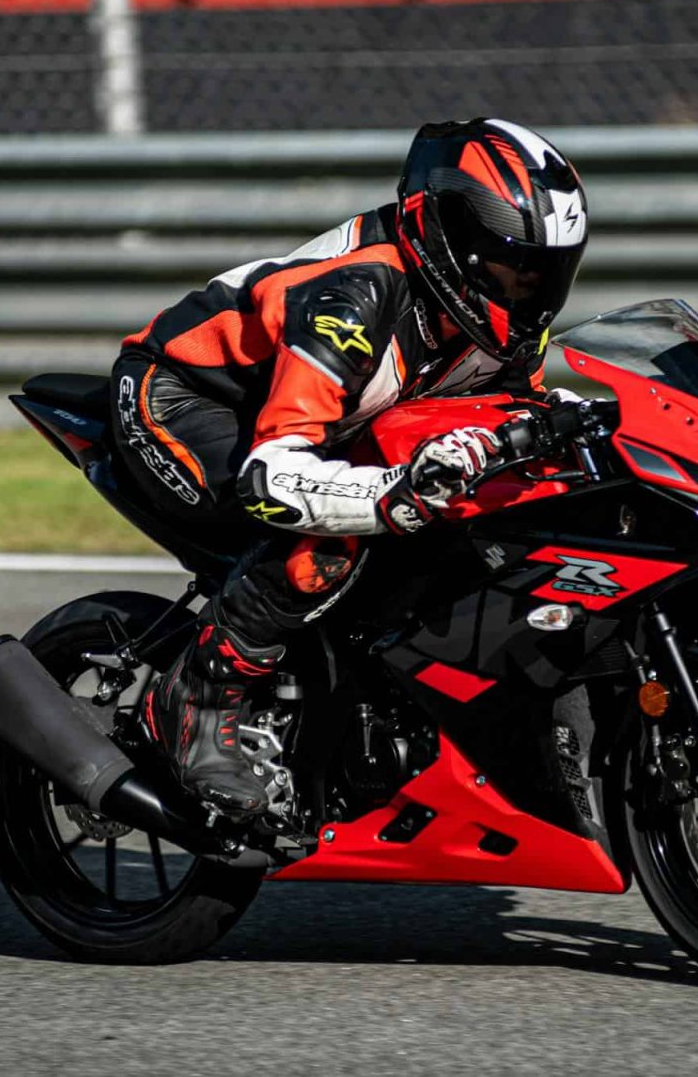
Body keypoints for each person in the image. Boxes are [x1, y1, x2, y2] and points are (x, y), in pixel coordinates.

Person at [110, 118, 590, 816]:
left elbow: (516, 413)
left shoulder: (505, 317)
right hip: (185, 401)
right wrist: (390, 495)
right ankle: (198, 698)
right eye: (513, 264)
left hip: (328, 418)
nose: (530, 287)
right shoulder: (357, 299)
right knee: (327, 537)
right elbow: (273, 478)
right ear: (445, 234)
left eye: (548, 270)